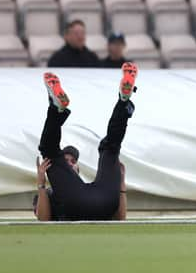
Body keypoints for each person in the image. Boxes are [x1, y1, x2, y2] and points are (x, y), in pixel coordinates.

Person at [34, 62, 138, 221]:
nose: (68, 163)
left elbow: (120, 219)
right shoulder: (51, 192)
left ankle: (123, 100)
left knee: (111, 148)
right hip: (87, 201)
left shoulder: (82, 189)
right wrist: (41, 185)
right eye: (66, 160)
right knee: (109, 149)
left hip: (103, 199)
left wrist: (121, 185)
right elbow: (43, 220)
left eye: (72, 161)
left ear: (78, 168)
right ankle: (123, 103)